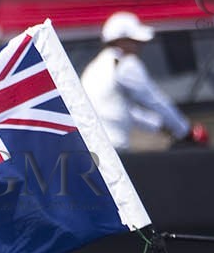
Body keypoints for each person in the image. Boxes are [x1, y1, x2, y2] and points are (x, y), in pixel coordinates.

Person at [81, 11, 207, 151]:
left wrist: (159, 126)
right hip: (115, 147)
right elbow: (154, 100)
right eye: (135, 42)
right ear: (121, 41)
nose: (140, 46)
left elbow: (125, 110)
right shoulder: (125, 63)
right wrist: (185, 131)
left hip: (93, 147)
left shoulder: (95, 67)